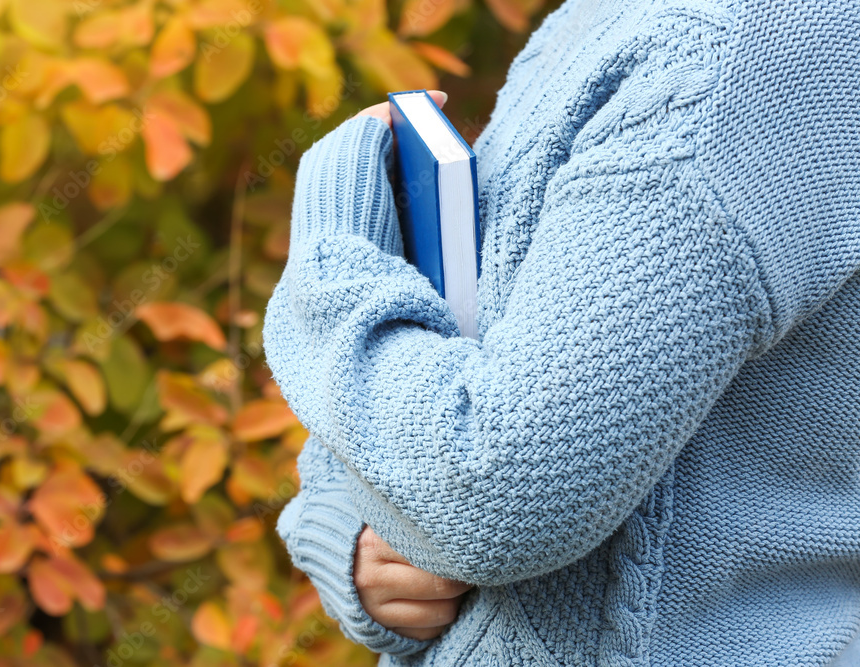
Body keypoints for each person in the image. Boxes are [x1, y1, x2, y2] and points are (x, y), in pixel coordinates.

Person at [262, 0, 860, 664]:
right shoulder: (602, 18)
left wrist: (328, 256)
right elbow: (467, 354)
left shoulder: (734, 53)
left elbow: (495, 488)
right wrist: (351, 526)